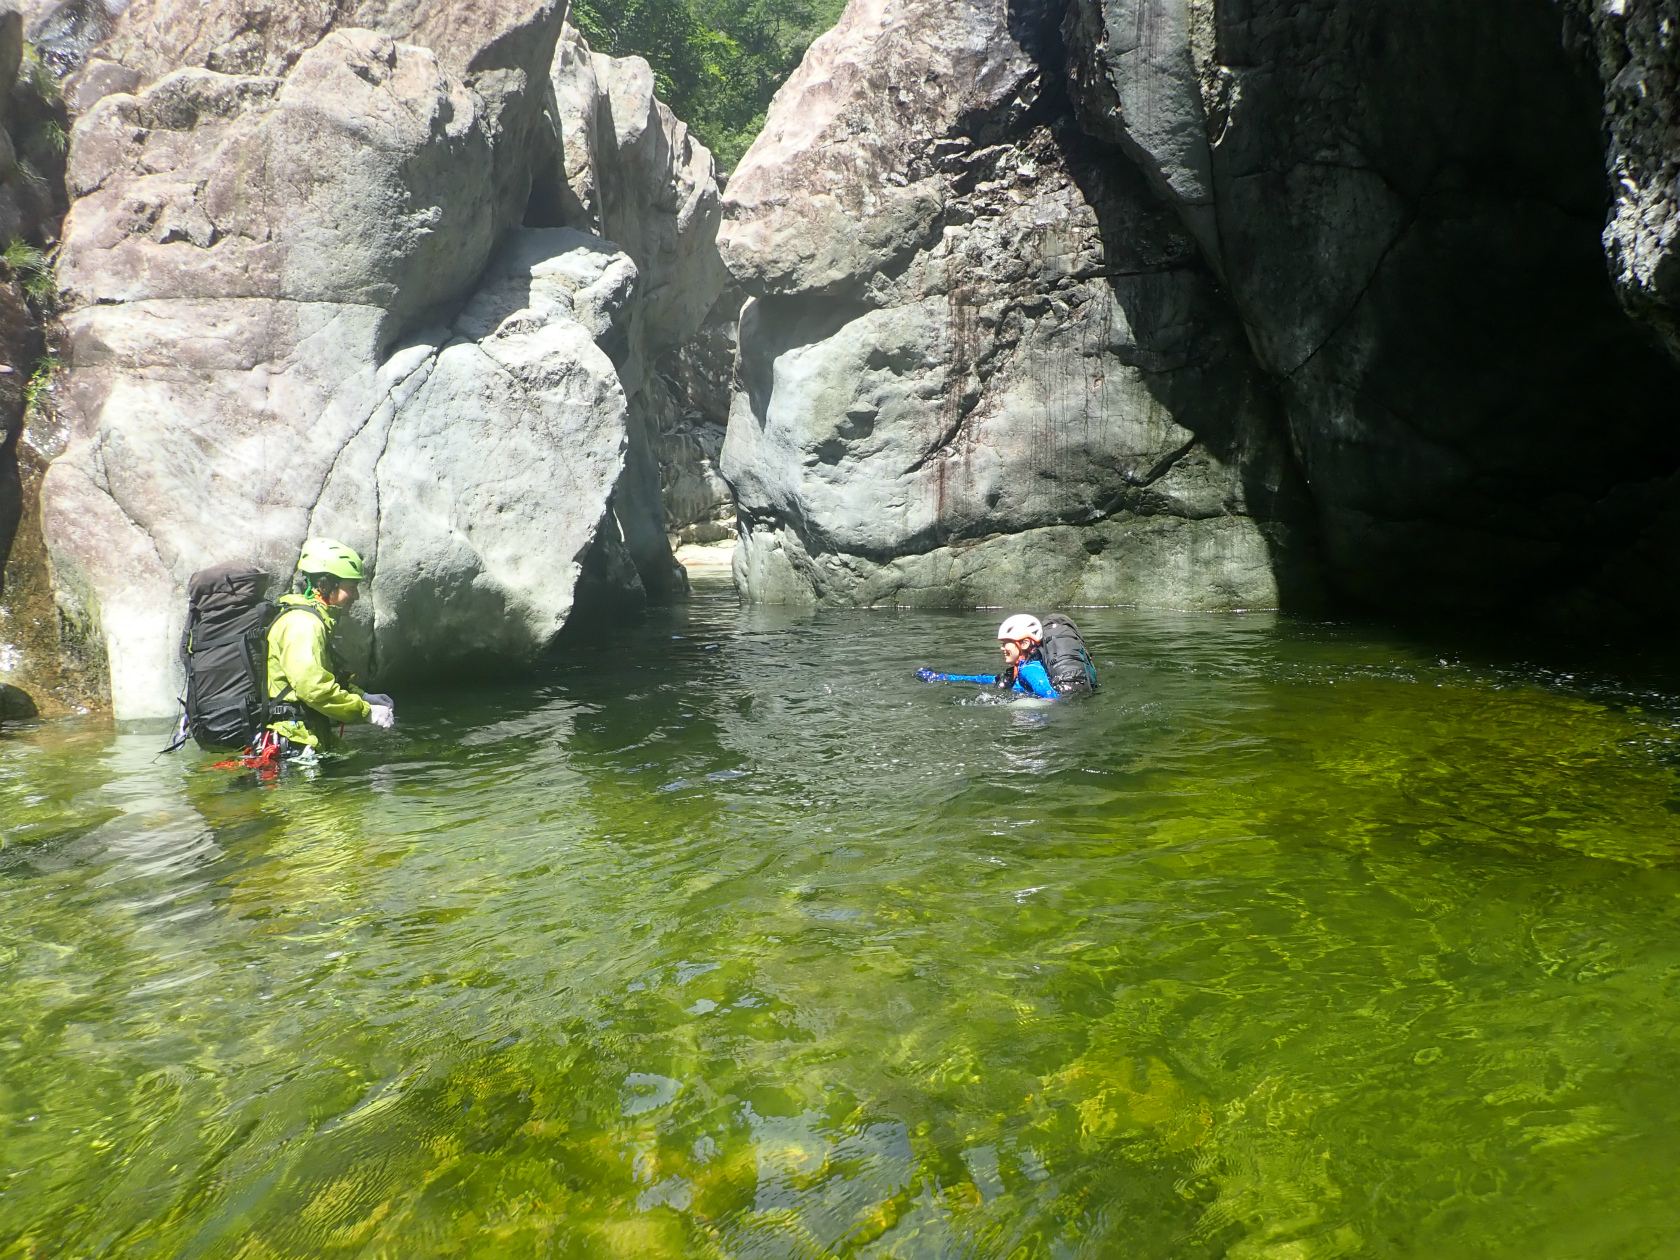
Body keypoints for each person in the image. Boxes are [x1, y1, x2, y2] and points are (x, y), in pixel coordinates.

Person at [261, 537, 394, 760]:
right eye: (351, 588)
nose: (356, 596)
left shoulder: (312, 620)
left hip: (303, 736)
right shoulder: (304, 625)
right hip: (294, 742)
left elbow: (322, 679)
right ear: (326, 585)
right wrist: (365, 711)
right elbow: (314, 689)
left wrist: (365, 697)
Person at [917, 614, 1059, 698]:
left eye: (1006, 643)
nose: (1002, 648)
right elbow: (985, 679)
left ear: (1024, 643)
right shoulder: (1021, 669)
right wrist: (944, 677)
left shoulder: (1030, 670)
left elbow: (1051, 696)